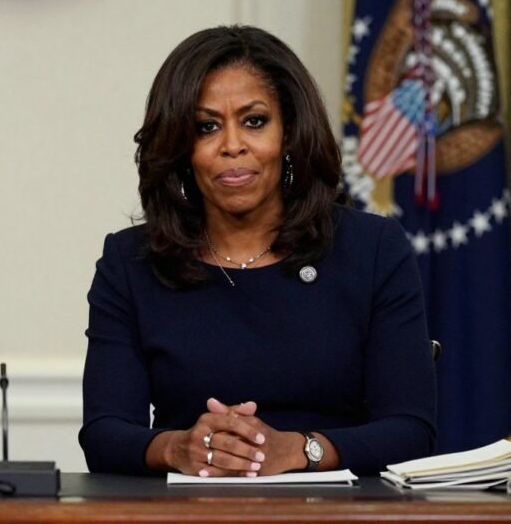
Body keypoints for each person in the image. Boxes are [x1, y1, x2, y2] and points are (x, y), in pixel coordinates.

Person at [78, 26, 436, 477]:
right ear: (180, 147)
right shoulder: (131, 262)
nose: (232, 145)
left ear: (288, 133)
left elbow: (411, 429)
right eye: (206, 127)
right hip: (188, 510)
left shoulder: (372, 249)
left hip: (339, 512)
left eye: (254, 121)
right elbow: (104, 434)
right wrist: (179, 448)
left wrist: (300, 450)